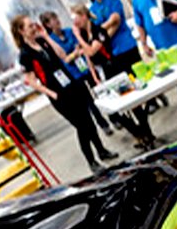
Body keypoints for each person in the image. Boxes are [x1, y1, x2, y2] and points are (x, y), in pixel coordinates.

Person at [11, 14, 118, 175]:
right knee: (81, 126)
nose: (34, 28)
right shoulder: (25, 55)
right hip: (58, 94)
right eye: (29, 26)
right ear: (21, 31)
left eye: (33, 25)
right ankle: (92, 161)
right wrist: (51, 93)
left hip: (71, 84)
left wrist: (47, 36)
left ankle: (101, 150)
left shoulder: (43, 42)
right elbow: (31, 81)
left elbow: (62, 55)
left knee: (89, 121)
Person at [71, 3, 156, 148]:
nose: (74, 22)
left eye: (76, 18)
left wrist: (78, 37)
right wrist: (94, 76)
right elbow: (88, 57)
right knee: (114, 111)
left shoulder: (99, 31)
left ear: (84, 16)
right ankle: (138, 133)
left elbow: (92, 50)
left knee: (132, 103)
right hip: (103, 73)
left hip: (114, 67)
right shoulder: (85, 36)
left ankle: (146, 132)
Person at [88, 0, 165, 135]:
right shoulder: (93, 10)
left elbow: (115, 21)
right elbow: (96, 31)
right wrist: (102, 33)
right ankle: (142, 116)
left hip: (126, 45)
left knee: (139, 75)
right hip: (113, 53)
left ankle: (152, 100)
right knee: (128, 83)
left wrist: (102, 36)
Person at [39, 10, 113, 135]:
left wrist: (75, 53)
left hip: (85, 66)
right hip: (73, 73)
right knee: (89, 101)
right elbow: (64, 57)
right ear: (48, 25)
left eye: (56, 17)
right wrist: (74, 53)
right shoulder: (52, 41)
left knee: (100, 91)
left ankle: (113, 116)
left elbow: (80, 46)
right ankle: (102, 123)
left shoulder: (69, 32)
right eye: (53, 19)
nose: (57, 21)